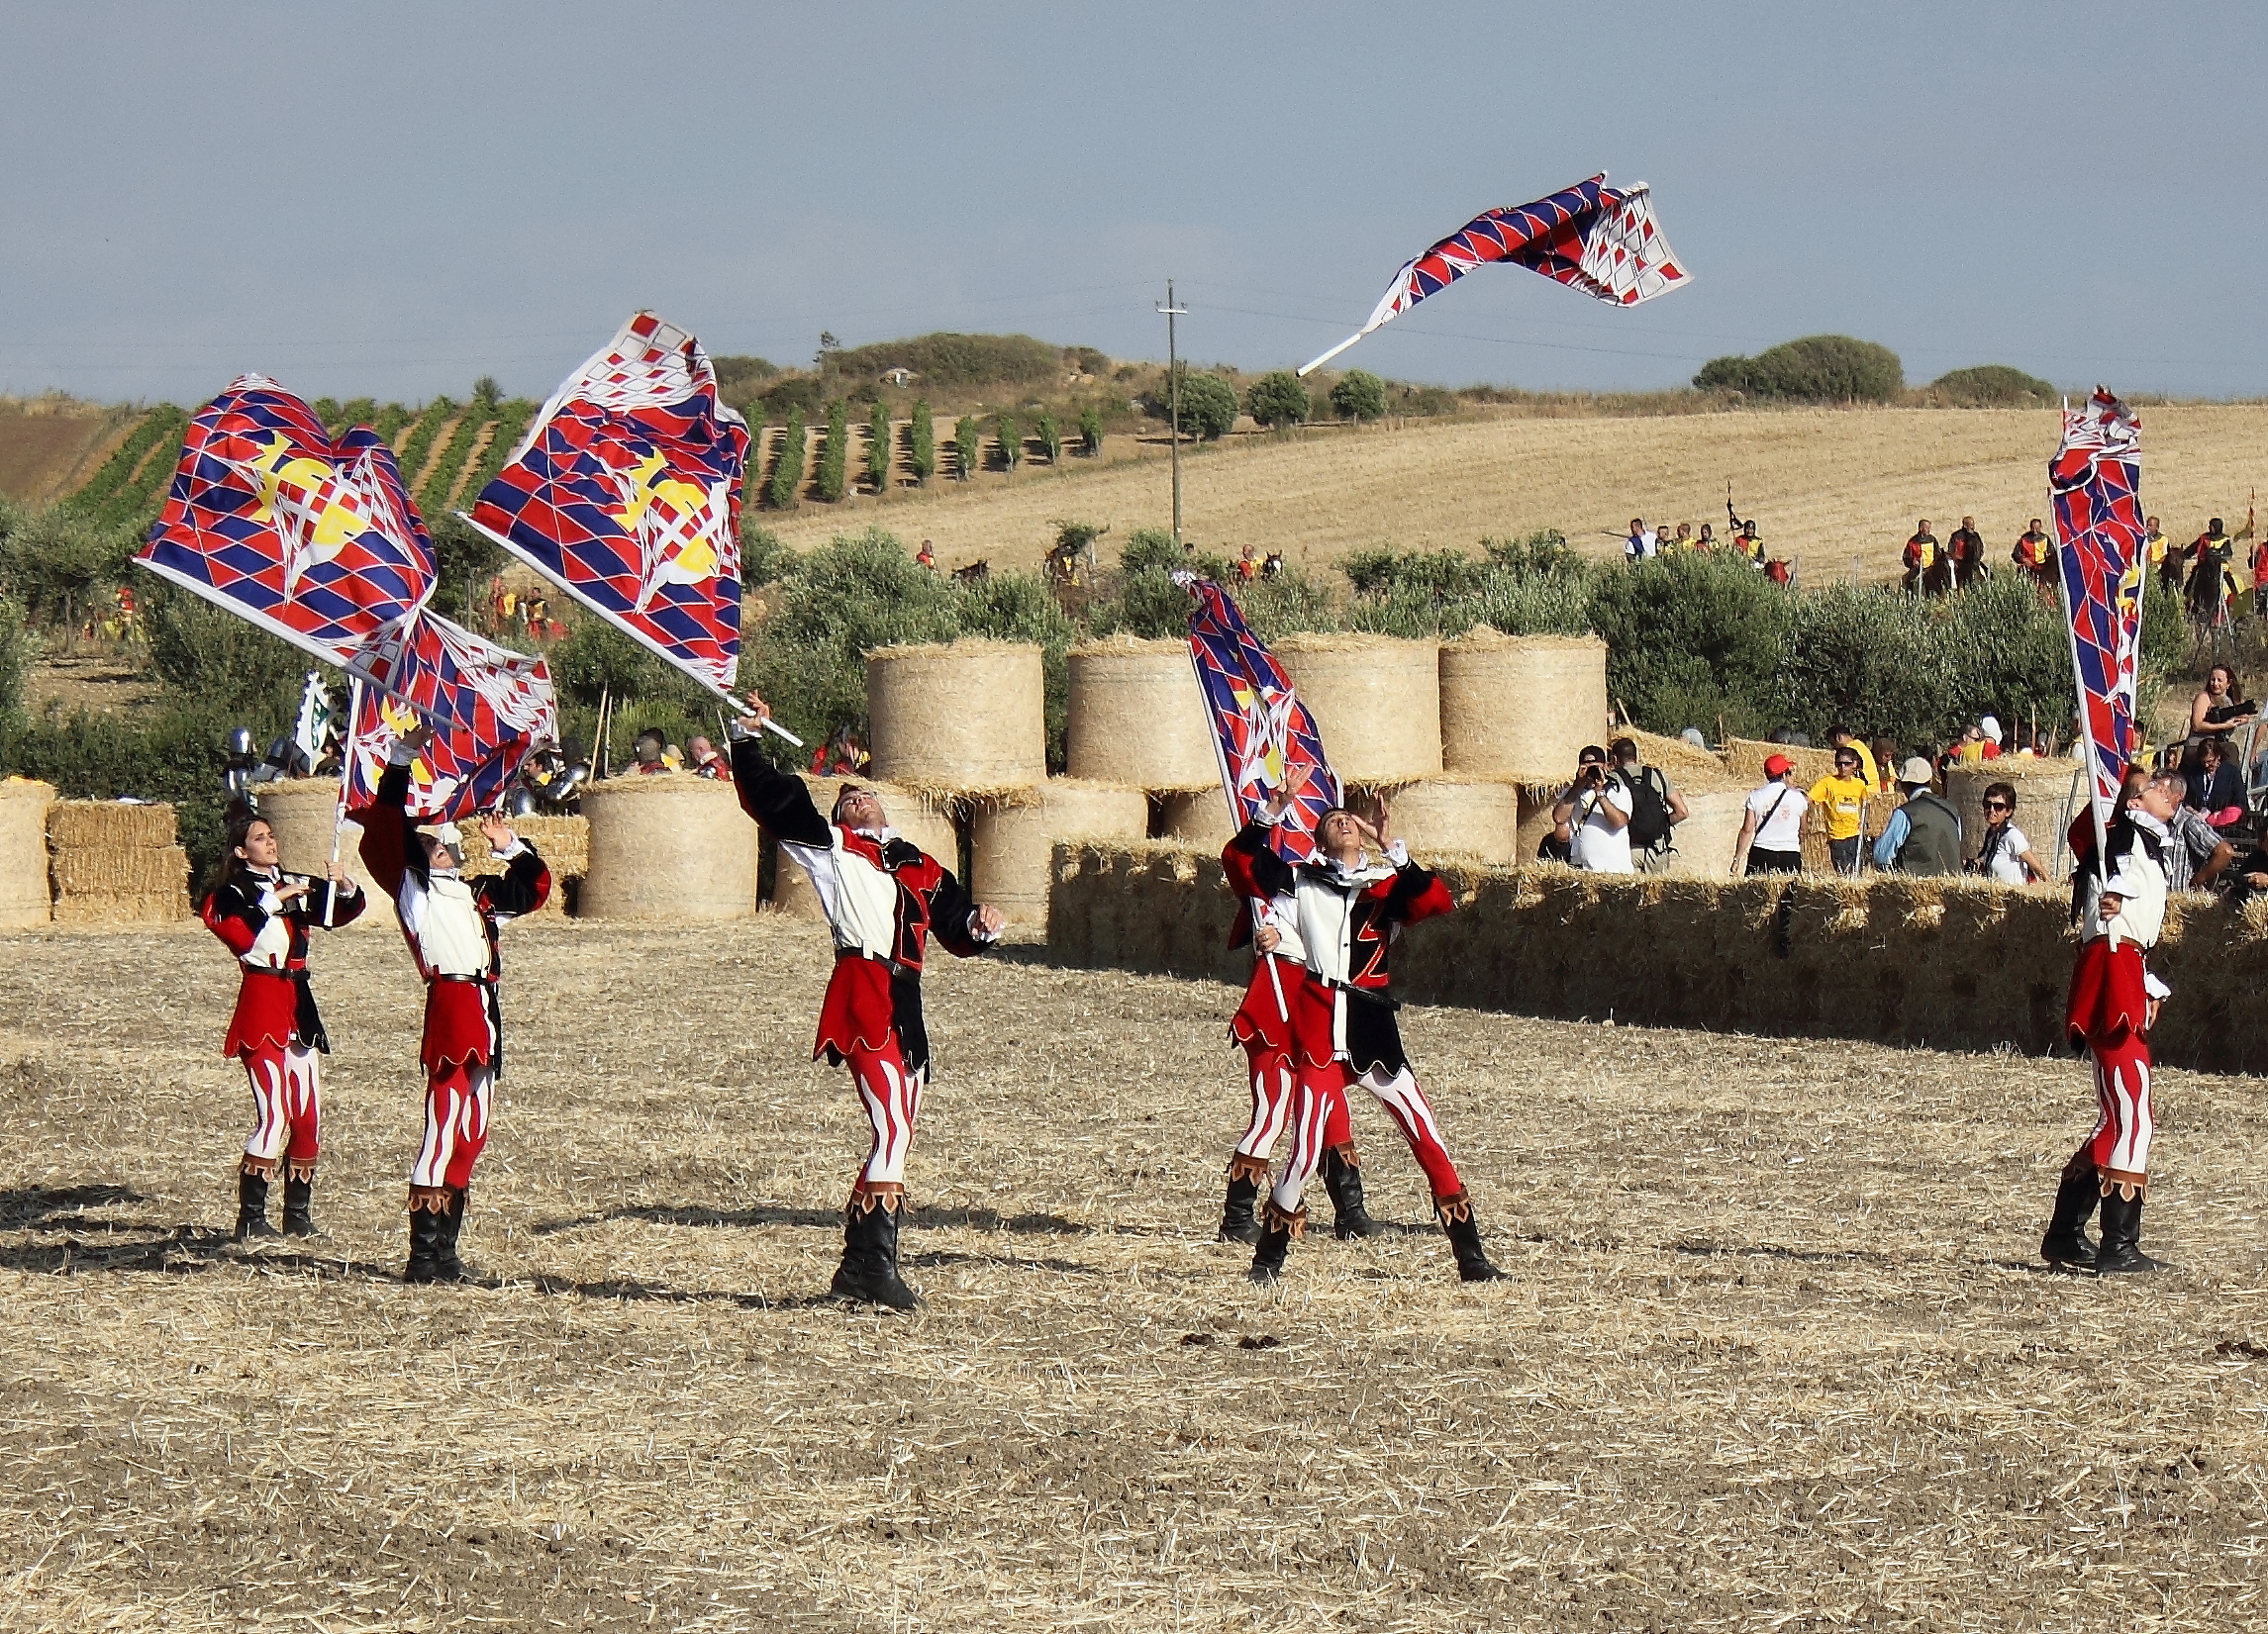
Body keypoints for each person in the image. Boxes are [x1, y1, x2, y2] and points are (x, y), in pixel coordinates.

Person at [730, 699, 1004, 1309]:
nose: (858, 803)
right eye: (847, 800)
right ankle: (874, 1268)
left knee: (898, 1135)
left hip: (908, 1000)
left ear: (886, 807)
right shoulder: (831, 849)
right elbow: (780, 804)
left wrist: (982, 924)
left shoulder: (922, 865)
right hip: (863, 988)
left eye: (865, 798)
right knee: (892, 1126)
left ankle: (859, 1266)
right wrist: (746, 742)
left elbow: (955, 927)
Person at [1231, 787, 1503, 1286]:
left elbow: (1435, 900)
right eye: (1333, 819)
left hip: (1372, 1023)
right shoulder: (1300, 881)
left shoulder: (1383, 887)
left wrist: (1393, 846)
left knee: (1425, 1132)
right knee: (1307, 1148)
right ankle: (1268, 1260)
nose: (1344, 822)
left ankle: (1471, 1259)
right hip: (1316, 1019)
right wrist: (1273, 809)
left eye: (1350, 819)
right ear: (1320, 838)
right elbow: (1241, 860)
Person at [360, 725, 551, 1285]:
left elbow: (537, 888)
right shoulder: (411, 889)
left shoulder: (479, 895)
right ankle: (421, 1255)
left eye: (448, 843)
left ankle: (446, 1251)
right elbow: (381, 835)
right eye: (438, 843)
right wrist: (401, 760)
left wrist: (510, 846)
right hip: (450, 1001)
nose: (448, 848)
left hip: (485, 1008)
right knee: (441, 1128)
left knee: (473, 1131)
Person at [199, 804, 365, 1241]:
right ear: (239, 851)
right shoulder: (228, 896)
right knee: (273, 1115)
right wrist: (276, 899)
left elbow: (338, 915)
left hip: (299, 1004)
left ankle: (298, 1215)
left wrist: (343, 885)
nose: (270, 843)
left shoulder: (293, 886)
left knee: (307, 1117)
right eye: (259, 838)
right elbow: (239, 934)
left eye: (271, 836)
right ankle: (251, 1218)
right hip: (261, 1003)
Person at [2039, 769, 2182, 1274]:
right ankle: (2117, 1245)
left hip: (2125, 963)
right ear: (2141, 801)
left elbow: (2130, 923)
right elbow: (2107, 886)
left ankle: (2065, 1235)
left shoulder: (2137, 844)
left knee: (2122, 1113)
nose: (2169, 794)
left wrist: (2145, 978)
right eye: (2156, 788)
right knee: (2132, 1112)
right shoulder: (2118, 841)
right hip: (2111, 966)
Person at [1870, 758, 1963, 874]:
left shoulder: (1905, 813)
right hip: (1952, 884)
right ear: (1929, 781)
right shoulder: (1952, 809)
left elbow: (1881, 856)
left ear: (1903, 785)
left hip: (1915, 886)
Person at [1552, 745, 1634, 874]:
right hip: (1580, 868)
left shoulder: (1618, 791)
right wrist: (1577, 785)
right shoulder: (1571, 793)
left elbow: (1619, 822)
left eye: (1595, 767)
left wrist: (1600, 793)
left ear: (1606, 767)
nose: (1592, 772)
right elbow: (1558, 818)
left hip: (1612, 869)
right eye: (1587, 767)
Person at [1611, 736, 1687, 873]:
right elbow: (1682, 812)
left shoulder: (1613, 779)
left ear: (1615, 759)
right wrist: (1660, 824)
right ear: (1636, 756)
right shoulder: (1658, 775)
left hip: (1628, 851)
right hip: (1658, 850)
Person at [1732, 753, 1806, 874]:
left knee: (1757, 891)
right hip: (1789, 853)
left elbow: (1747, 830)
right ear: (1783, 775)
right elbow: (1803, 831)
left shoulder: (1755, 796)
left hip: (1761, 851)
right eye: (1788, 773)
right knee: (1788, 892)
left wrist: (1737, 859)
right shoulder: (1798, 797)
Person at [1806, 746, 1871, 876]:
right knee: (1843, 873)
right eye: (1839, 764)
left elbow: (1865, 805)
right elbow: (1809, 799)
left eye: (1846, 764)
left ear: (1854, 764)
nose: (1842, 767)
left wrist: (1865, 823)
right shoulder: (1827, 783)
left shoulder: (1860, 784)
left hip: (1855, 835)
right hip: (1837, 837)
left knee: (1857, 873)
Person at [1969, 782, 2045, 885]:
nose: (1991, 810)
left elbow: (2039, 870)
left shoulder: (2012, 836)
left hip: (2013, 897)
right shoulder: (1991, 834)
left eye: (1998, 807)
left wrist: (2052, 893)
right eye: (1987, 805)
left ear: (2008, 811)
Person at [1826, 725, 1877, 793]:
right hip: (1873, 788)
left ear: (1839, 737)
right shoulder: (1859, 745)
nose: (1833, 747)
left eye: (1833, 743)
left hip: (1866, 790)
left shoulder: (1850, 751)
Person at [1903, 521, 1941, 596]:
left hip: (1932, 568)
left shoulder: (1933, 539)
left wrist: (1935, 562)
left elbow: (1938, 553)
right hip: (1918, 569)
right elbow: (1906, 556)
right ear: (1921, 528)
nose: (1929, 530)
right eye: (1927, 528)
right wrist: (1913, 562)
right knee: (1910, 581)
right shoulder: (1913, 542)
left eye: (1929, 528)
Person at [2012, 518, 2055, 585]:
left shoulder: (2045, 538)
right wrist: (2024, 560)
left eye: (2037, 528)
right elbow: (2015, 554)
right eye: (2033, 528)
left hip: (2043, 569)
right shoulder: (2024, 539)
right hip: (2028, 569)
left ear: (2040, 527)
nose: (2035, 531)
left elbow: (2052, 553)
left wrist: (2048, 556)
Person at [1948, 517, 1985, 589]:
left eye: (1973, 525)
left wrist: (1977, 558)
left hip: (1973, 562)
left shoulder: (1975, 536)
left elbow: (1980, 548)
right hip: (1958, 562)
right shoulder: (1956, 536)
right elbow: (1951, 550)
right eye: (1971, 525)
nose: (1973, 527)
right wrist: (1956, 556)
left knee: (1984, 573)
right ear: (1965, 525)